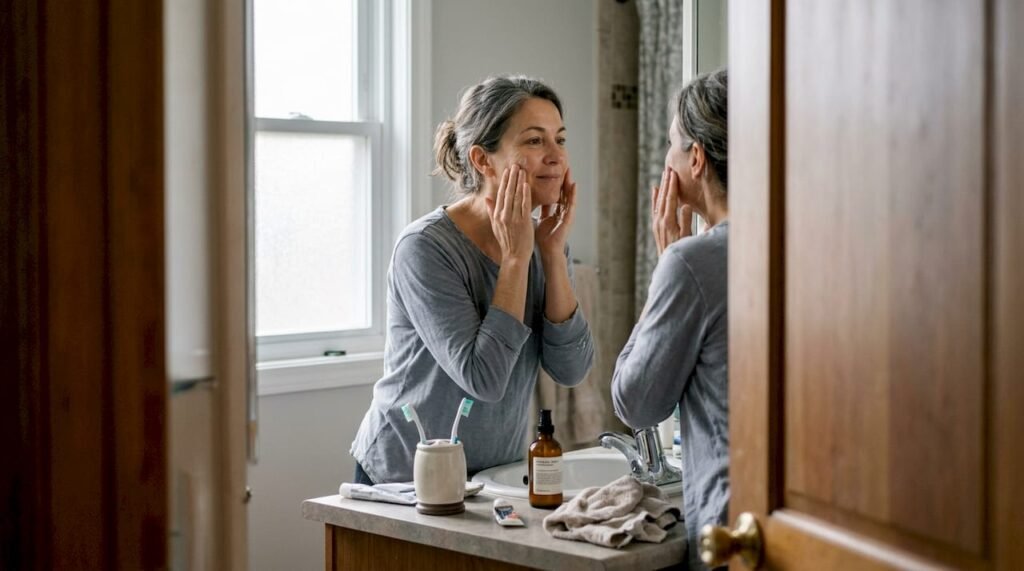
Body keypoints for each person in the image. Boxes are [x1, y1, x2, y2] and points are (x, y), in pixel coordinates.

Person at [351, 75, 595, 485]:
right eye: (535, 141)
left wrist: (551, 256)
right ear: (483, 160)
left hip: (494, 474)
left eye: (561, 139)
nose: (556, 157)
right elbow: (484, 378)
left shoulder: (545, 245)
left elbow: (571, 371)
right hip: (404, 477)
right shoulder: (425, 248)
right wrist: (516, 260)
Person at [611, 68, 729, 570]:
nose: (665, 161)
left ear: (696, 158)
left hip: (732, 528)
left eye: (670, 145)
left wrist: (668, 263)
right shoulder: (808, 240)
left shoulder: (692, 263)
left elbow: (636, 403)